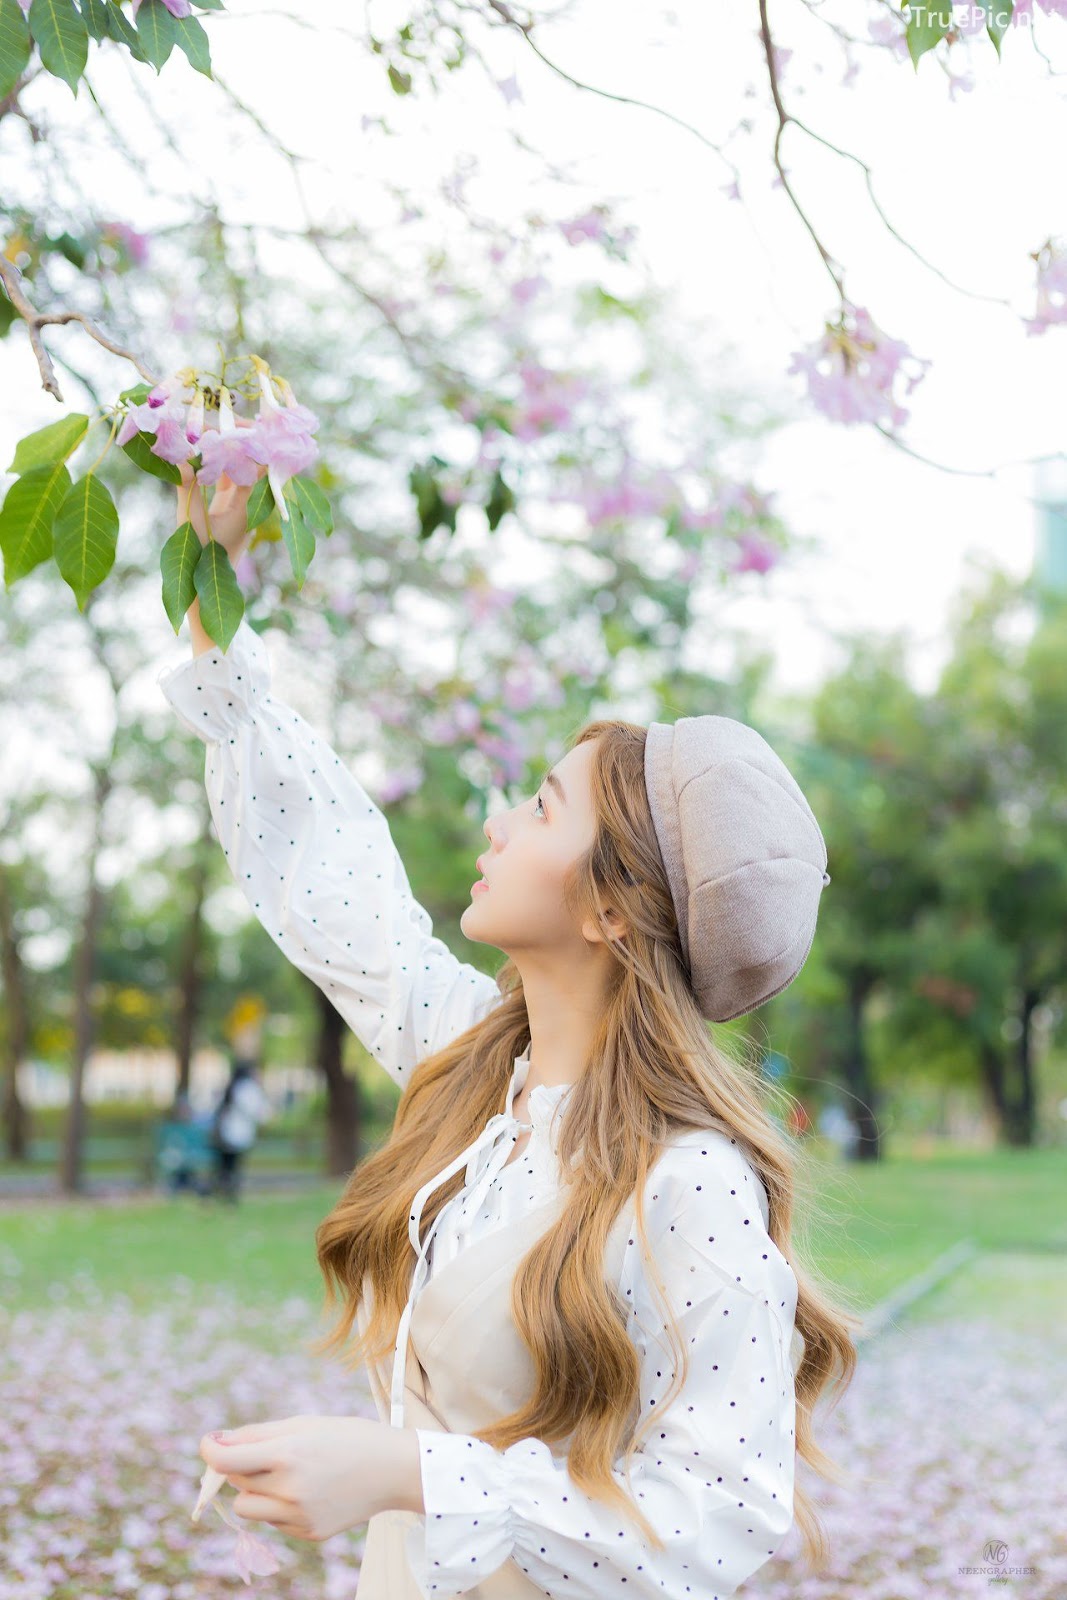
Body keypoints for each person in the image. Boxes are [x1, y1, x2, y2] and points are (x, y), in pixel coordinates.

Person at [158, 468, 862, 1597]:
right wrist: (210, 584)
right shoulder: (479, 1073)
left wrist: (407, 1471)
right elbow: (324, 872)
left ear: (610, 907)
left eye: (539, 804)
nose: (495, 820)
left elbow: (718, 1514)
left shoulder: (690, 1184)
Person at [209, 1056, 273, 1205]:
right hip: (237, 1135)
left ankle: (223, 1194)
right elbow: (258, 1112)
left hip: (225, 1134)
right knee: (233, 1167)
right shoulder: (248, 1088)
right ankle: (229, 1196)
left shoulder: (233, 1086)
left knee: (225, 1166)